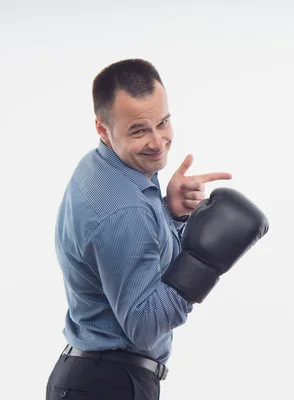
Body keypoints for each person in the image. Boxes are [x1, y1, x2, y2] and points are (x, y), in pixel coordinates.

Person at [46, 58, 269, 399]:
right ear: (103, 129)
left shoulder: (101, 169)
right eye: (139, 130)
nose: (158, 141)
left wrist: (170, 214)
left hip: (92, 377)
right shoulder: (125, 209)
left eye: (162, 122)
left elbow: (133, 256)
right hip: (110, 384)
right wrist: (203, 262)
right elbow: (145, 326)